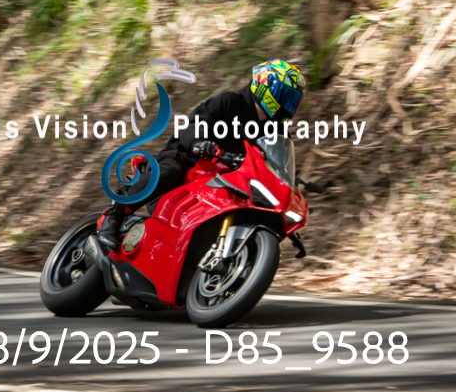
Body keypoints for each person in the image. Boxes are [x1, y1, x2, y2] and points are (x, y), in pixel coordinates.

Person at [94, 58, 306, 253]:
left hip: (228, 181)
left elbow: (276, 162)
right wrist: (199, 143)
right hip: (190, 159)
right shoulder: (230, 102)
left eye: (292, 99)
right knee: (171, 170)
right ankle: (115, 214)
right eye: (285, 95)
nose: (288, 104)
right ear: (265, 86)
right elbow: (197, 122)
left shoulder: (277, 133)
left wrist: (287, 182)